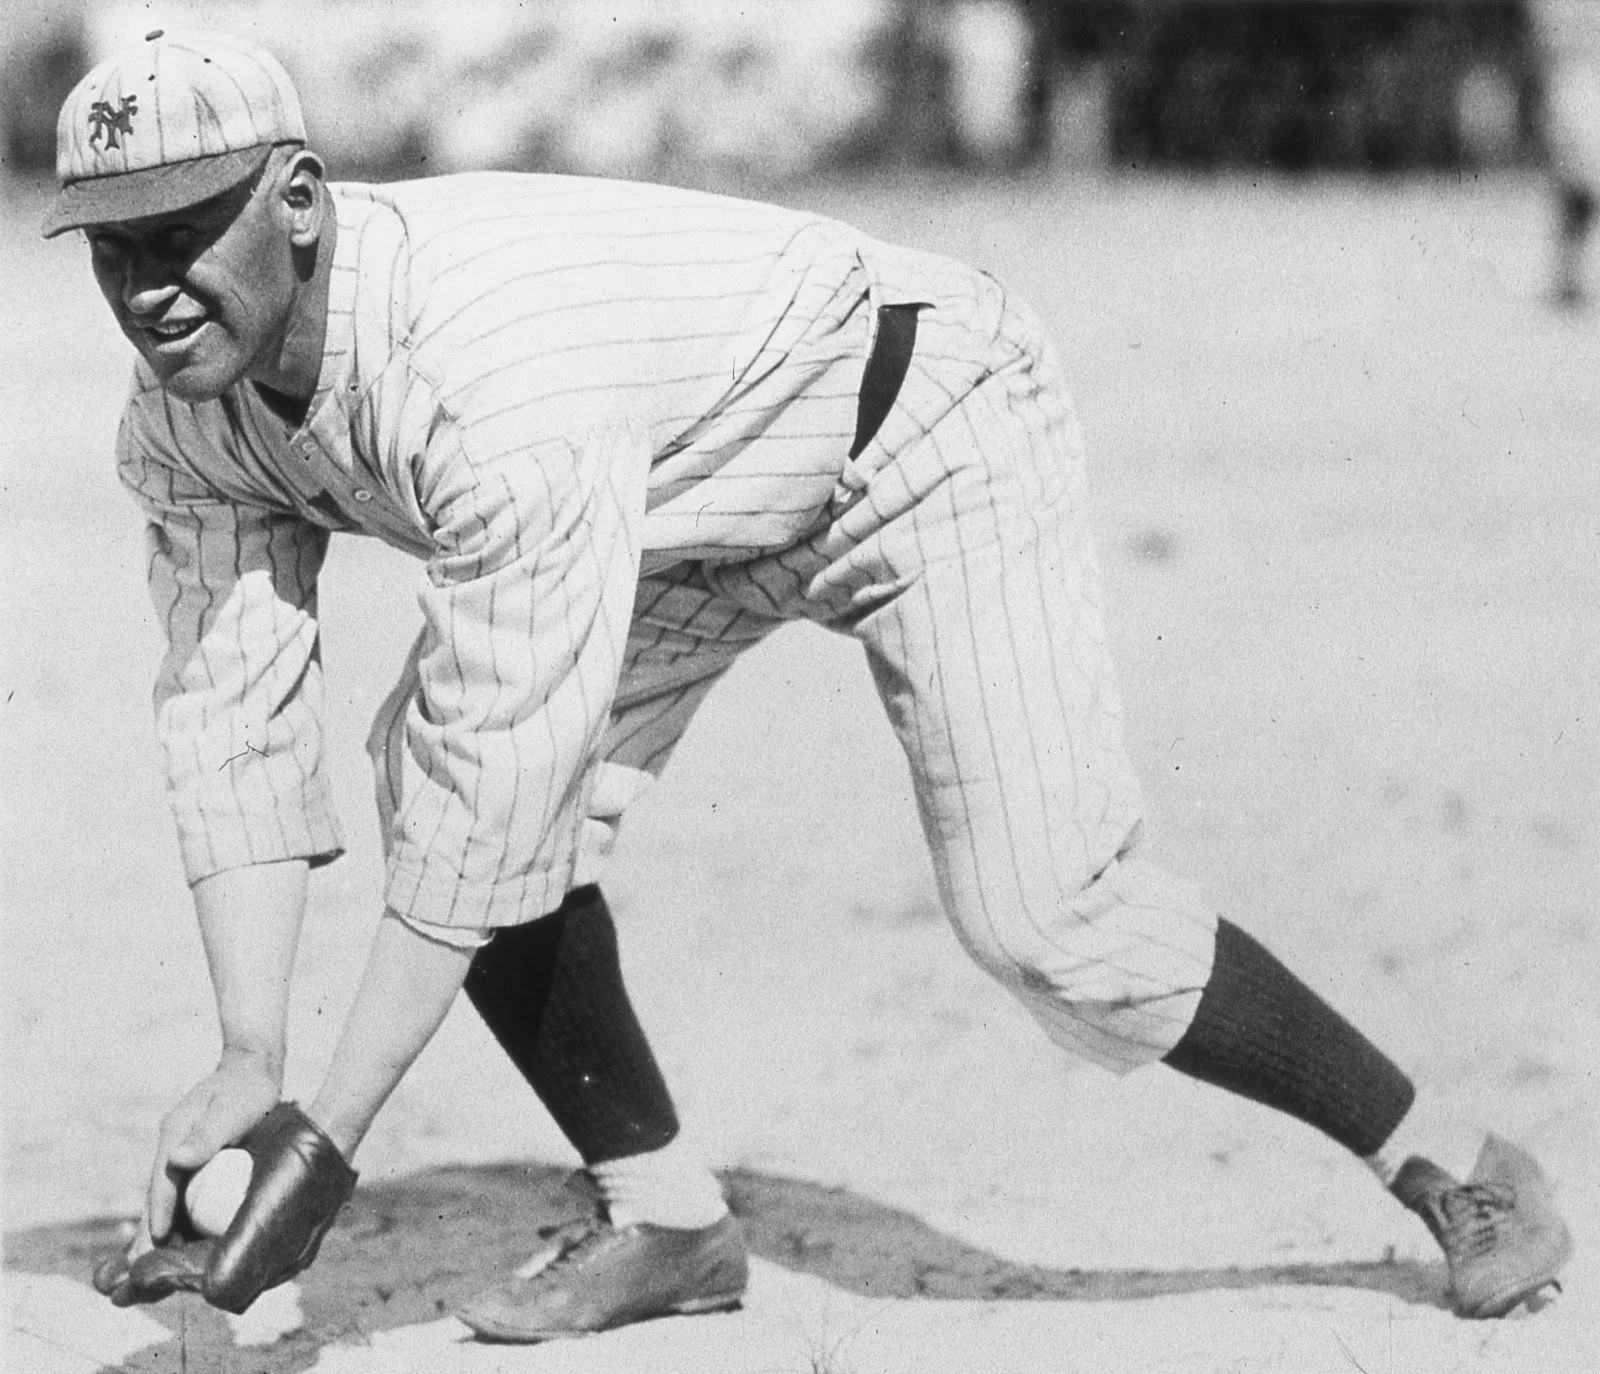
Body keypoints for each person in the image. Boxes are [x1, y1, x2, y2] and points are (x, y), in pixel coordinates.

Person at [51, 28, 1570, 1342]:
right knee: (441, 779)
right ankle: (664, 1217)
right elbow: (233, 711)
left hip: (911, 425)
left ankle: (1455, 1161)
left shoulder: (482, 364)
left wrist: (324, 1142)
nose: (150, 286)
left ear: (298, 199)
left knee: (1050, 919)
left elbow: (489, 777)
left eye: (185, 229)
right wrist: (249, 1056)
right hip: (687, 499)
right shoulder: (183, 413)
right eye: (113, 246)